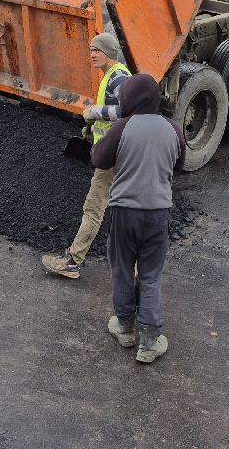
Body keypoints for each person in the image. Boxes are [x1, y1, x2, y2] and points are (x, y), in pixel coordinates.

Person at [90, 73, 185, 364]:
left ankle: (125, 328)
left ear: (132, 99)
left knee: (122, 268)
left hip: (124, 213)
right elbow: (179, 165)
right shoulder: (174, 129)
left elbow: (98, 159)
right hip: (158, 214)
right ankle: (149, 341)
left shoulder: (122, 128)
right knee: (151, 274)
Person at [40, 32, 131, 279]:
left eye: (96, 50)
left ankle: (72, 261)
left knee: (94, 207)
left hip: (114, 156)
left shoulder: (119, 77)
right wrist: (91, 129)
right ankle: (136, 269)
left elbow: (127, 110)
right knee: (125, 210)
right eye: (91, 50)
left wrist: (94, 112)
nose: (91, 54)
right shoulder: (111, 76)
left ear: (108, 53)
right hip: (114, 153)